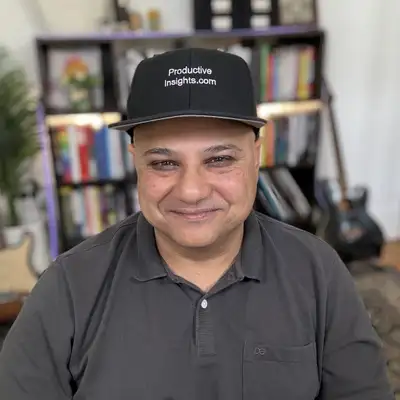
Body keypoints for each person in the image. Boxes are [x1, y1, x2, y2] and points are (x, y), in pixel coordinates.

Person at [0, 48, 394, 400]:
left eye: (219, 159)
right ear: (135, 160)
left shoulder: (318, 271)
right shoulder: (67, 287)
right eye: (164, 163)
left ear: (257, 155)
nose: (191, 191)